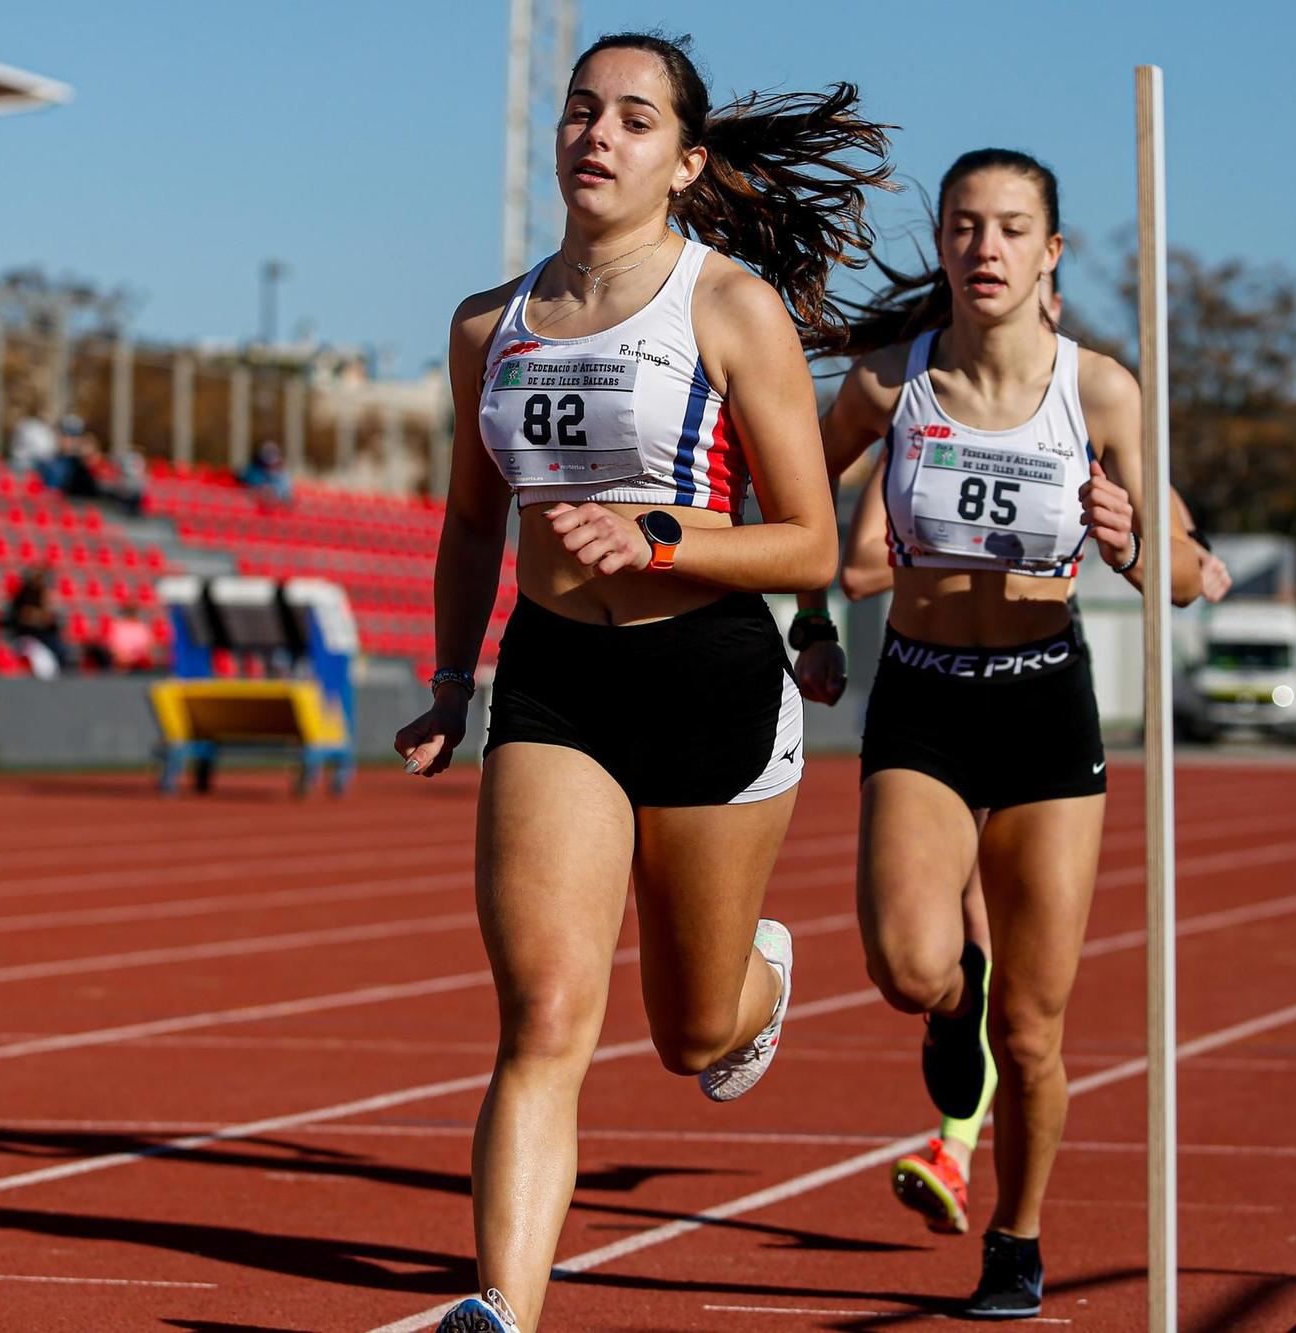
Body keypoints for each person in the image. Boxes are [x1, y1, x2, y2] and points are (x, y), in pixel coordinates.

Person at [393, 31, 889, 1333]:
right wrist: (453, 679)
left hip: (711, 678)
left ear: (684, 160)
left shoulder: (726, 308)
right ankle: (501, 1307)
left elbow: (810, 541)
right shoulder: (483, 323)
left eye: (633, 118)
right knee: (546, 1011)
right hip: (554, 682)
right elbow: (466, 524)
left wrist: (662, 532)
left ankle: (762, 984)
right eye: (579, 111)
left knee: (691, 1035)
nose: (597, 135)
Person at [794, 148, 1202, 1319]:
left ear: (1049, 252)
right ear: (942, 244)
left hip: (1040, 702)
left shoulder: (1103, 391)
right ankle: (945, 996)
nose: (985, 248)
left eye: (1011, 229)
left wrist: (1136, 542)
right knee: (907, 963)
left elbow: (1176, 564)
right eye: (965, 226)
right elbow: (789, 495)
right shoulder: (887, 384)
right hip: (920, 692)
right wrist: (812, 621)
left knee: (1033, 1029)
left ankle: (1015, 1239)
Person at [1, 563, 69, 677]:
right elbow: (24, 616)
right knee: (44, 662)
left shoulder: (44, 597)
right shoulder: (24, 596)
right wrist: (41, 616)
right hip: (26, 638)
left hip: (46, 639)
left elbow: (53, 619)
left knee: (61, 654)